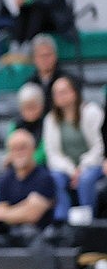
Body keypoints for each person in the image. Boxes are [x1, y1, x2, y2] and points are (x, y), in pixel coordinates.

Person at [43, 75, 105, 221]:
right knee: (55, 178)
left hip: (93, 164)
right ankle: (62, 221)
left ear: (74, 92)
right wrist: (72, 170)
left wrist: (82, 168)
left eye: (63, 91)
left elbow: (100, 146)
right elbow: (52, 154)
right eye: (56, 93)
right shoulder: (50, 119)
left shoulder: (92, 112)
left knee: (86, 179)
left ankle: (87, 220)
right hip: (67, 168)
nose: (60, 96)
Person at [0, 129, 55, 229]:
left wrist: (7, 212)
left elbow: (32, 214)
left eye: (23, 147)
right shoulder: (5, 180)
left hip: (40, 235)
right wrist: (25, 206)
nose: (19, 152)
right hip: (10, 235)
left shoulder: (44, 178)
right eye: (14, 149)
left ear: (33, 149)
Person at [26, 34, 76, 113]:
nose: (45, 59)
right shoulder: (30, 84)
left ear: (55, 56)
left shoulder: (68, 81)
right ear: (34, 58)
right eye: (41, 56)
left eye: (48, 55)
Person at [8, 82, 48, 166]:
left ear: (41, 106)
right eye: (26, 107)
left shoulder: (47, 123)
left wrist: (26, 161)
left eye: (33, 106)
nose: (30, 111)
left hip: (42, 166)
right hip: (19, 165)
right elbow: (10, 149)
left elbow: (45, 151)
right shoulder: (15, 125)